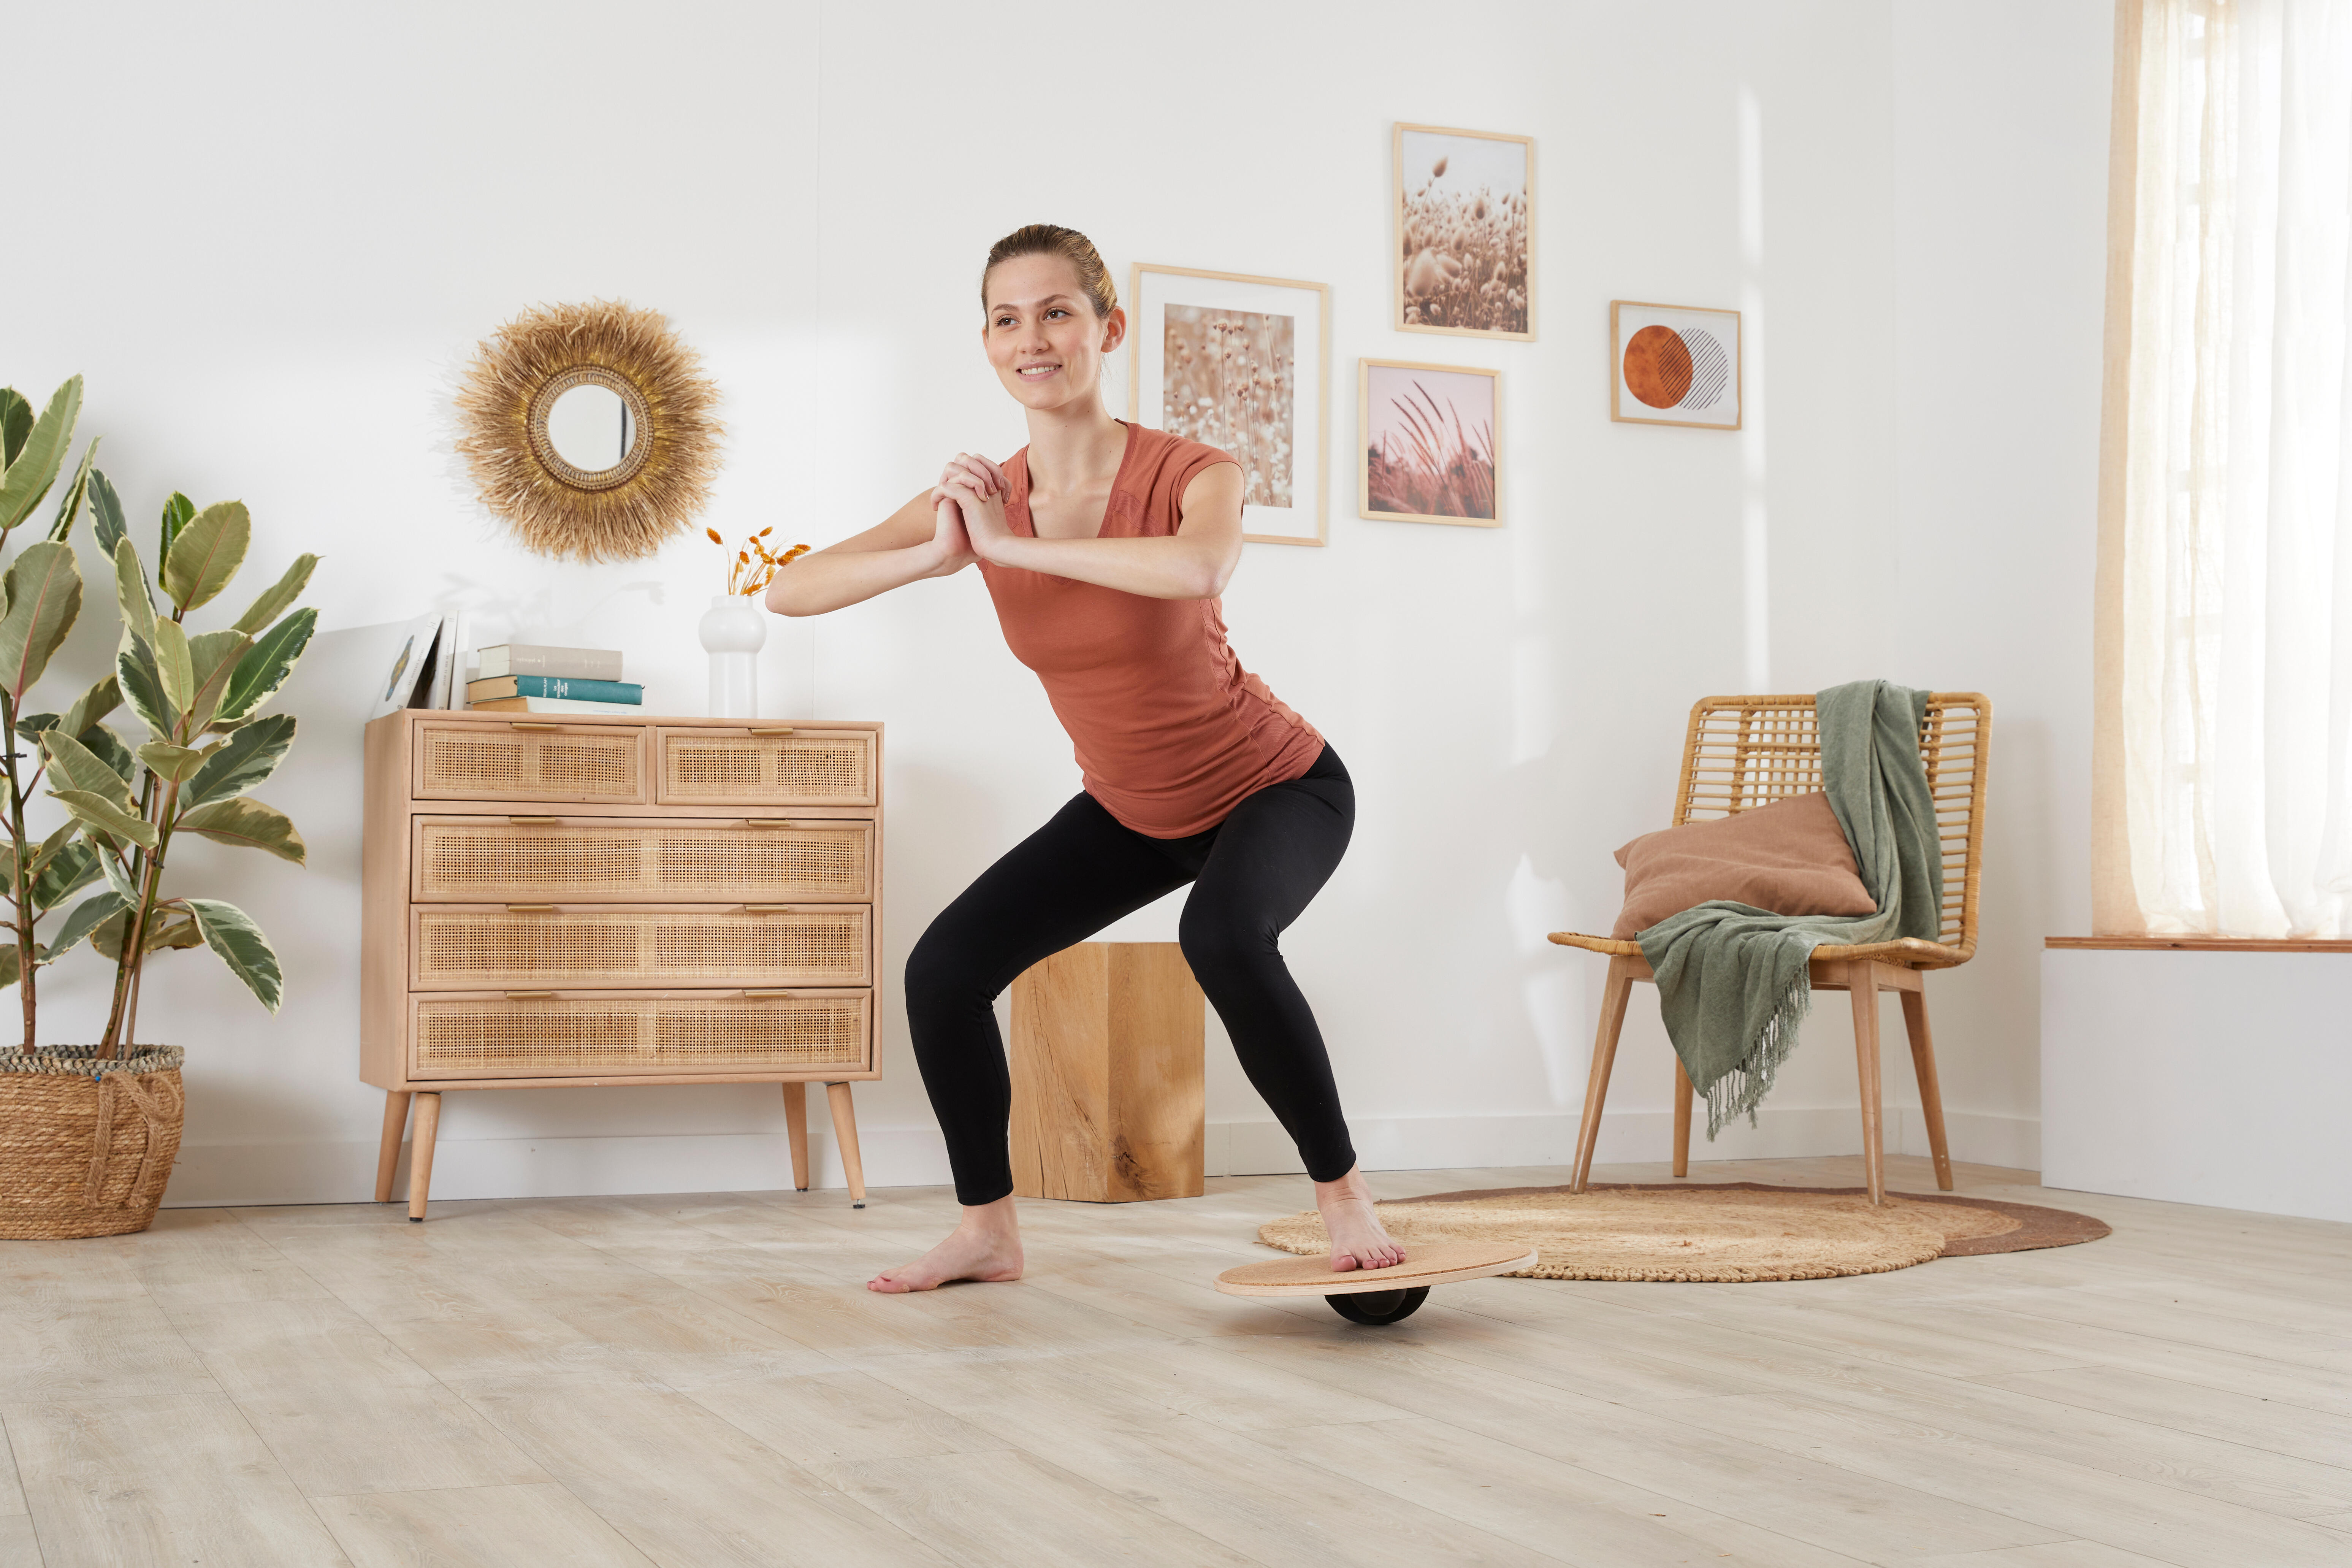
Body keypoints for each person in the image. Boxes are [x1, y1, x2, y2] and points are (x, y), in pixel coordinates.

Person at [768, 223, 1403, 1292]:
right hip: (1131, 807)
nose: (1035, 338)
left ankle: (1342, 1195)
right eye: (1008, 319)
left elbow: (1201, 567)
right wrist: (935, 555)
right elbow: (787, 589)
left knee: (1224, 938)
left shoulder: (1193, 471)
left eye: (1058, 312)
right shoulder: (976, 500)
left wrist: (1010, 547)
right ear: (986, 344)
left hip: (1276, 784)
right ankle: (986, 1230)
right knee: (945, 971)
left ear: (1107, 328)